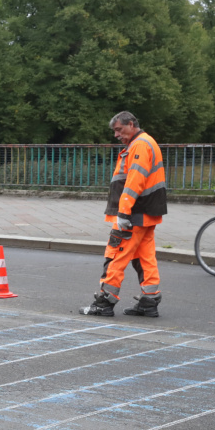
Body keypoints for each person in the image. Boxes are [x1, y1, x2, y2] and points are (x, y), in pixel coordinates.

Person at [80, 111, 167, 318]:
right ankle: (149, 300)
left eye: (119, 129)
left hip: (134, 214)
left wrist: (123, 212)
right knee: (146, 258)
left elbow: (135, 180)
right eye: (115, 131)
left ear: (131, 124)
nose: (116, 135)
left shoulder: (139, 145)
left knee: (116, 255)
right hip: (146, 213)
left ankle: (104, 303)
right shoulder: (145, 142)